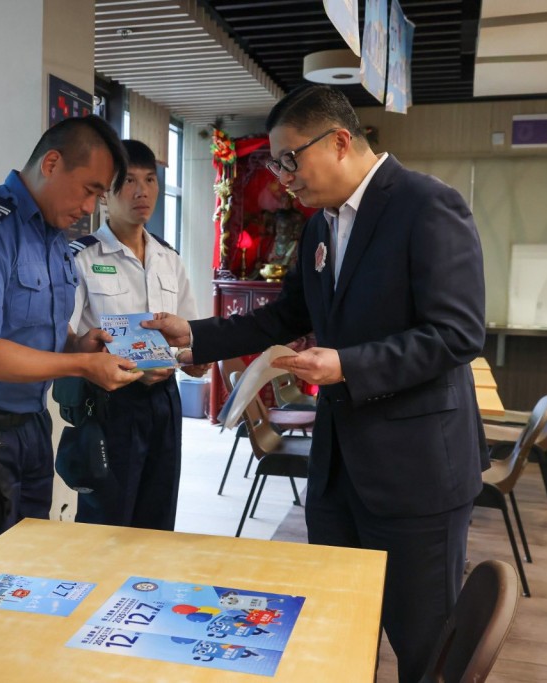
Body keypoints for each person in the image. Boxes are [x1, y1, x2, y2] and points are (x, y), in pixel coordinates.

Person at [146, 84, 487, 682]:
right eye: (276, 163)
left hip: (415, 473)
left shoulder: (427, 206)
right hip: (336, 471)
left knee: (422, 644)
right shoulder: (321, 227)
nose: (283, 179)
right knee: (337, 630)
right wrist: (194, 334)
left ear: (339, 142)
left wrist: (348, 365)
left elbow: (457, 334)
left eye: (290, 159)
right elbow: (284, 317)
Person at [0, 116, 142, 564]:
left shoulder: (52, 237)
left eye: (99, 196)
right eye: (89, 190)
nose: (90, 207)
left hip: (30, 425)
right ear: (52, 163)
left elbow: (37, 328)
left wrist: (78, 346)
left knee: (27, 565)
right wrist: (80, 366)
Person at [68, 139, 209, 530]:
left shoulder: (169, 258)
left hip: (164, 400)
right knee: (106, 520)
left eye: (149, 180)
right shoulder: (82, 257)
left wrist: (194, 360)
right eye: (128, 181)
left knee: (159, 517)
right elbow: (64, 338)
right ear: (105, 193)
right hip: (109, 403)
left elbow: (189, 333)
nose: (142, 191)